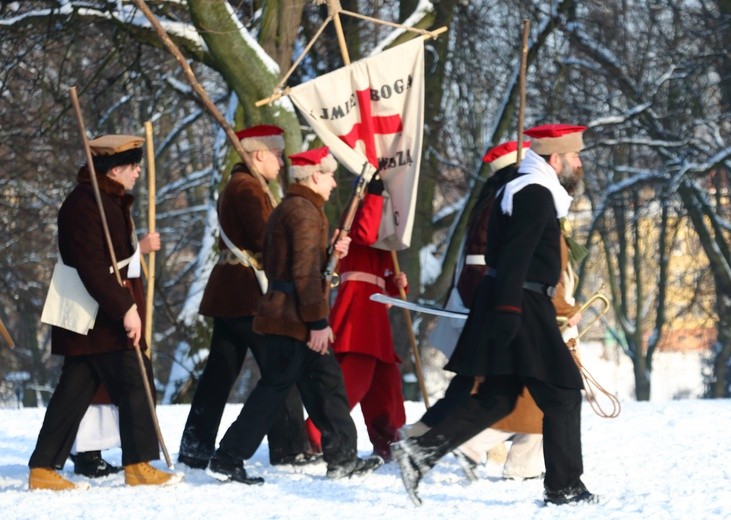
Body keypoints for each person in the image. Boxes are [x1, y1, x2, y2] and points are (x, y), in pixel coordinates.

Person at [392, 124, 598, 507]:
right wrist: (508, 310)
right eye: (574, 157)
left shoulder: (528, 189)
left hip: (512, 302)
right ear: (556, 159)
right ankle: (564, 487)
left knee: (498, 397)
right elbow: (517, 256)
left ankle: (419, 452)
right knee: (563, 393)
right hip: (521, 304)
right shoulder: (535, 193)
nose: (579, 163)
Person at [207, 146, 382, 484]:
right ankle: (228, 457)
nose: (333, 183)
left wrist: (331, 252)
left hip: (291, 315)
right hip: (295, 320)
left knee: (326, 386)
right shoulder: (303, 212)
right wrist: (318, 323)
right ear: (315, 175)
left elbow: (301, 267)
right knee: (275, 389)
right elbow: (302, 275)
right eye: (329, 175)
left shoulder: (300, 208)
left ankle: (342, 457)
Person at [29, 134, 179, 490]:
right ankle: (139, 464)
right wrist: (125, 308)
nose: (139, 172)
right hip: (96, 317)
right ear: (114, 169)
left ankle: (43, 468)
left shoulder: (106, 202)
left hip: (98, 318)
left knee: (74, 390)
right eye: (133, 166)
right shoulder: (84, 205)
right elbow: (92, 268)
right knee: (135, 382)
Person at [178, 125, 315, 470]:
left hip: (232, 291)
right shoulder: (248, 189)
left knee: (220, 373)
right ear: (258, 154)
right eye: (277, 155)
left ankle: (196, 446)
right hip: (246, 294)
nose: (282, 163)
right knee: (280, 367)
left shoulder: (247, 186)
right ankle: (289, 448)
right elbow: (267, 240)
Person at [305, 172, 408, 461]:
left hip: (374, 313)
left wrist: (396, 283)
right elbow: (363, 232)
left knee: (385, 384)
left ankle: (392, 440)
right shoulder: (351, 222)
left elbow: (382, 277)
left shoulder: (382, 230)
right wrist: (374, 194)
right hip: (359, 309)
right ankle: (312, 434)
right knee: (354, 381)